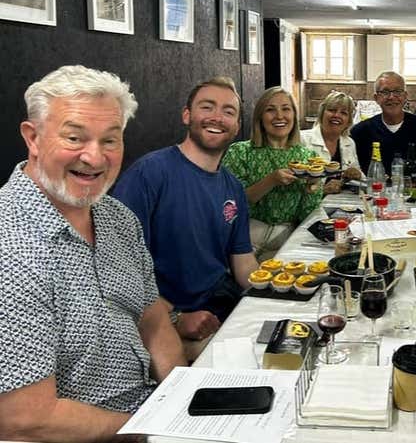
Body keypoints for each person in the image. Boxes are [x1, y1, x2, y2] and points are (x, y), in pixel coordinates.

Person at [0, 65, 186, 441]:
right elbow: (24, 419)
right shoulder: (10, 247)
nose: (95, 158)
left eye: (110, 140)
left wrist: (181, 403)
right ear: (32, 138)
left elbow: (153, 321)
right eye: (74, 138)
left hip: (150, 415)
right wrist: (147, 429)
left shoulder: (117, 217)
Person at [112, 77, 257, 345]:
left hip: (218, 303)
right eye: (207, 107)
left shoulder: (233, 188)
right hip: (163, 317)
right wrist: (176, 318)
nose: (217, 117)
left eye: (228, 112)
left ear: (237, 127)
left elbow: (244, 262)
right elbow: (119, 266)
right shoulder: (150, 173)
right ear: (186, 115)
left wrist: (276, 289)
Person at [222, 86, 322, 260]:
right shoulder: (239, 152)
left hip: (287, 237)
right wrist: (271, 180)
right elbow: (231, 203)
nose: (280, 116)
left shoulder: (308, 157)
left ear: (294, 115)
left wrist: (313, 187)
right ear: (260, 117)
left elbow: (306, 215)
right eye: (270, 110)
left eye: (286, 109)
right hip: (245, 235)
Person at [351, 71, 416, 185]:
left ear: (405, 96)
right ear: (376, 98)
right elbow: (352, 170)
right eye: (385, 92)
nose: (391, 97)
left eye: (397, 92)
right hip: (373, 195)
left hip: (414, 194)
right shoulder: (361, 131)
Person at [300, 90, 363, 194]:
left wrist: (357, 175)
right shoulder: (303, 139)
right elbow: (292, 186)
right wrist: (321, 190)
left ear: (348, 121)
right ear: (322, 113)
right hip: (310, 207)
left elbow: (358, 180)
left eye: (343, 113)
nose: (336, 115)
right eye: (332, 110)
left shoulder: (349, 143)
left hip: (341, 204)